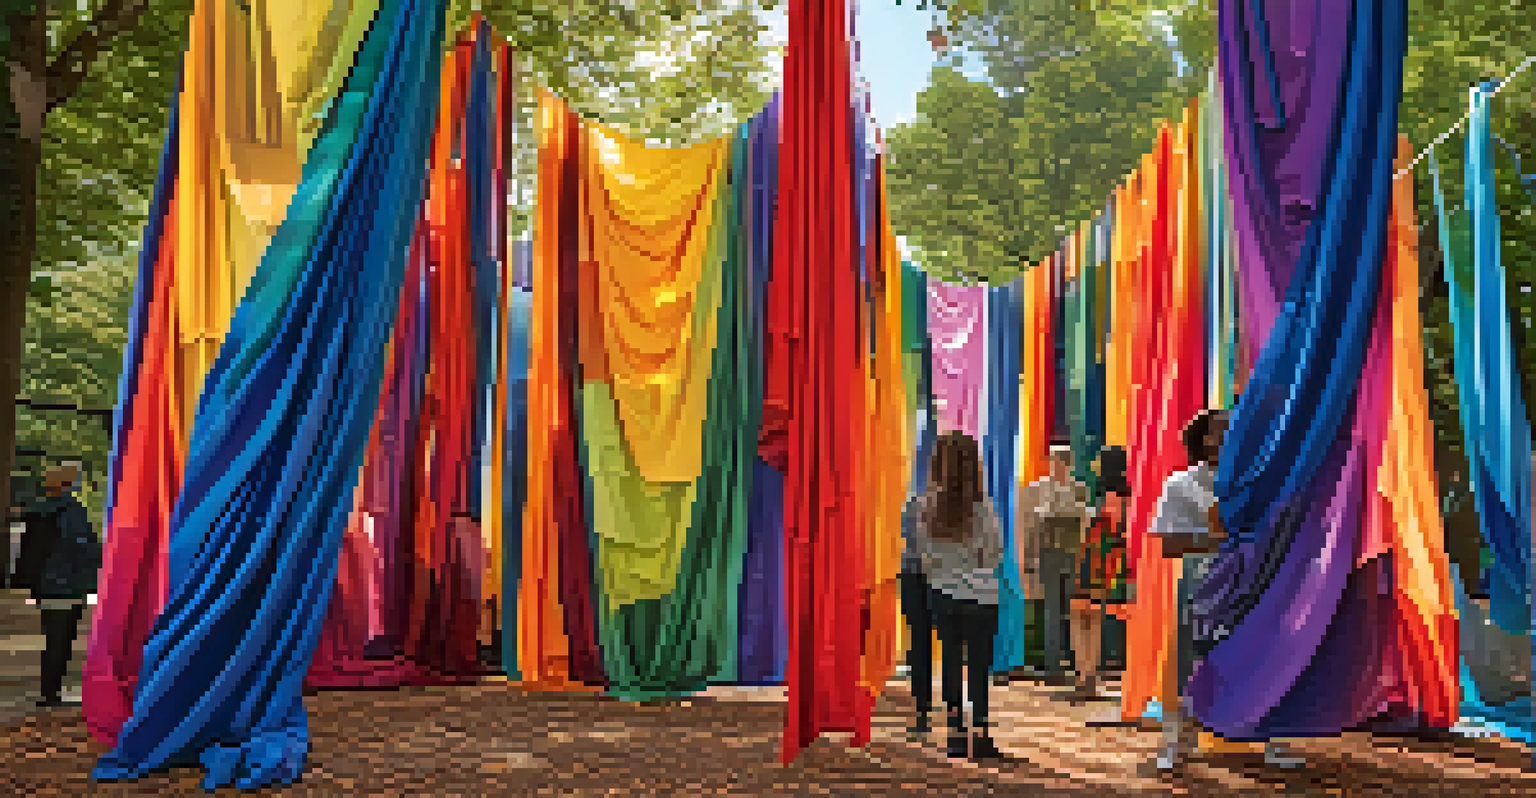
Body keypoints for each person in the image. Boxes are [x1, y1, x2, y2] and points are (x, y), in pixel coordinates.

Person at [915, 431, 1005, 761]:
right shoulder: (983, 509)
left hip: (942, 593)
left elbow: (925, 556)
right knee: (978, 667)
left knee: (951, 662)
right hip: (982, 595)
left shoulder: (925, 507)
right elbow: (994, 555)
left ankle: (955, 733)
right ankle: (980, 734)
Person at [12, 463, 101, 708]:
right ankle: (51, 694)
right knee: (62, 639)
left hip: (46, 584)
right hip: (67, 584)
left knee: (52, 638)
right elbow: (82, 547)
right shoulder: (71, 511)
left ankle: (49, 690)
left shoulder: (39, 511)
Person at [1018, 445, 1091, 684]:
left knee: (1072, 607)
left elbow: (1085, 523)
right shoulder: (1037, 489)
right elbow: (1030, 527)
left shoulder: (1079, 489)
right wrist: (1029, 557)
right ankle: (1052, 664)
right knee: (1051, 607)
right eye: (1053, 460)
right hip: (1049, 553)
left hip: (1072, 553)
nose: (1057, 465)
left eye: (1061, 461)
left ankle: (1074, 660)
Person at [1068, 445, 1130, 702]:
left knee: (1082, 615)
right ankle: (1087, 674)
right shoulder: (1122, 496)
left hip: (1099, 558)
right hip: (1103, 558)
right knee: (1090, 616)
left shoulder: (1110, 497)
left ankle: (1085, 674)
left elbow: (1109, 529)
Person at [899, 461, 934, 738]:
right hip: (933, 577)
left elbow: (907, 537)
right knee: (932, 644)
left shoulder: (912, 505)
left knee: (919, 644)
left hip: (915, 574)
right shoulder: (958, 508)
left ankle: (922, 712)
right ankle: (948, 711)